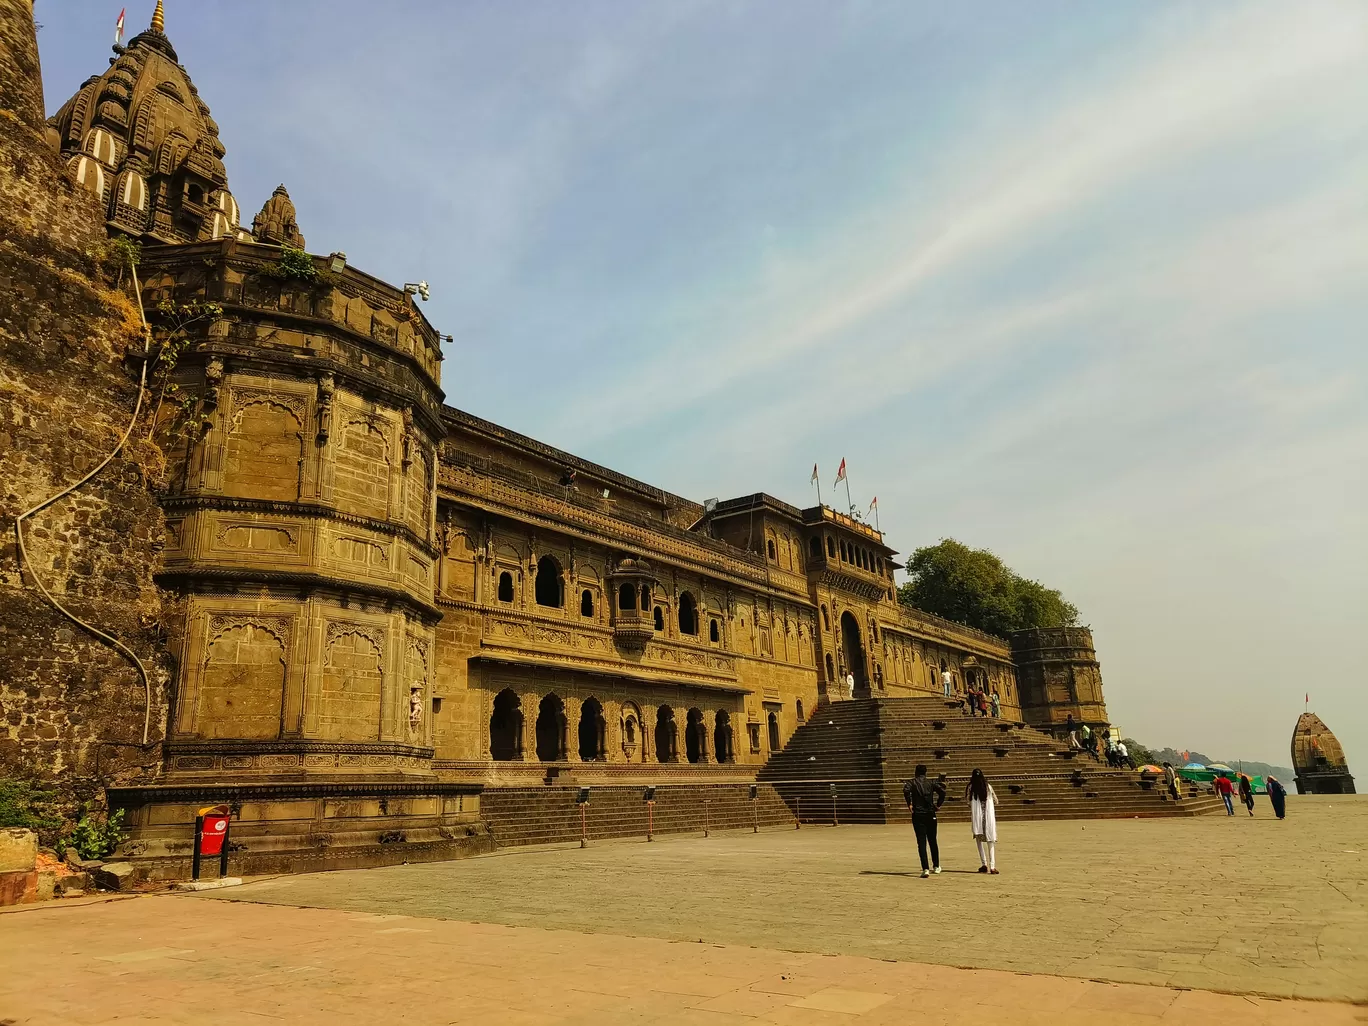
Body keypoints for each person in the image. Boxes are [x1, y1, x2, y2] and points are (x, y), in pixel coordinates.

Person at [902, 764, 946, 879]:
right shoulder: (931, 783)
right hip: (930, 813)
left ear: (915, 772)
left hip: (918, 814)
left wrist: (909, 803)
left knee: (921, 842)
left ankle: (925, 868)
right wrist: (938, 805)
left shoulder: (912, 783)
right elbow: (943, 792)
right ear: (925, 773)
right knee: (933, 840)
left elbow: (905, 790)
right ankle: (936, 866)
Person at [965, 768, 999, 874]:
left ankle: (984, 864)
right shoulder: (988, 787)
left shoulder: (970, 788)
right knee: (990, 842)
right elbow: (996, 800)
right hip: (988, 819)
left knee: (979, 841)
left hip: (978, 819)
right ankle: (992, 866)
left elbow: (968, 802)